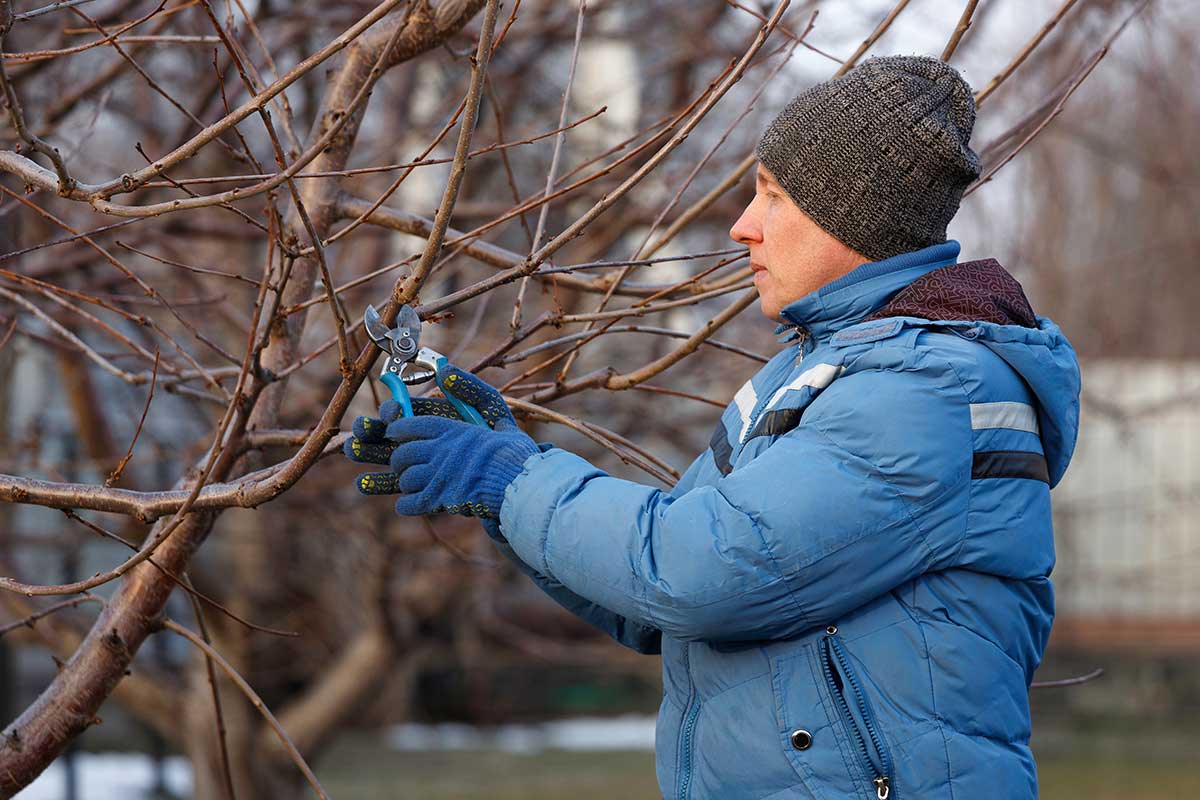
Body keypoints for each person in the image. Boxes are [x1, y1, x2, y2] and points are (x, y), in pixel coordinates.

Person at [345, 55, 1080, 799]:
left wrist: (512, 479)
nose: (741, 227)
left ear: (848, 213)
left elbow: (696, 574)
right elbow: (654, 607)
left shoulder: (926, 390)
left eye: (772, 196)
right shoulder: (815, 376)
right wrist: (503, 480)